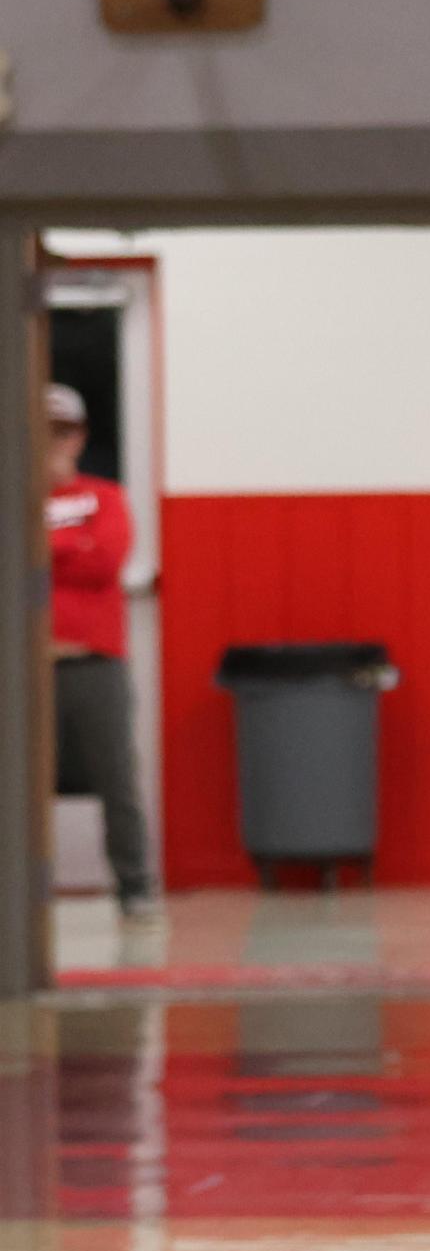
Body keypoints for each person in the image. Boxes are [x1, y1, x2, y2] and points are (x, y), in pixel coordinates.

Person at [45, 382, 159, 921]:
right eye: (41, 432)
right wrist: (72, 545)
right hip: (28, 672)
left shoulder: (104, 497)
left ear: (80, 436)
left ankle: (135, 888)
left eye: (61, 432)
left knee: (117, 778)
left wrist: (49, 548)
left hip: (96, 662)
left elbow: (103, 562)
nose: (51, 443)